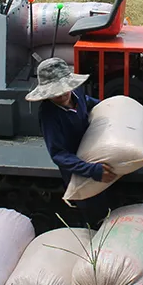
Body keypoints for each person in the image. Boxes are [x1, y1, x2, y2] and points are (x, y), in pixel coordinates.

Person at [26, 57, 117, 227]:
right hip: (78, 168)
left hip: (94, 149)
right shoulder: (49, 116)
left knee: (109, 199)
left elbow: (87, 102)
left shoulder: (77, 92)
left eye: (64, 89)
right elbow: (59, 154)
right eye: (55, 93)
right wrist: (92, 170)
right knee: (93, 208)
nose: (62, 95)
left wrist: (108, 107)